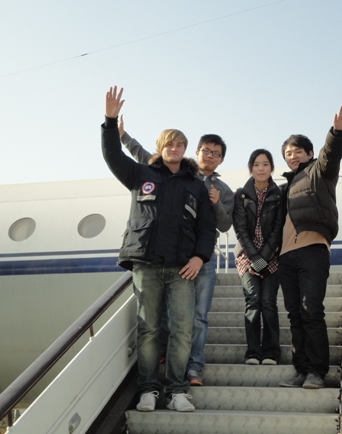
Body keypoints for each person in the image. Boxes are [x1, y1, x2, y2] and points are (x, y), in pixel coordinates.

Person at [101, 86, 216, 412]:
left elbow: (206, 228)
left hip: (182, 269)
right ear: (160, 147)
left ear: (185, 149)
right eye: (169, 144)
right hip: (147, 265)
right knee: (149, 330)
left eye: (179, 144)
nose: (174, 148)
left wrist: (199, 257)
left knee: (182, 330)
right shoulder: (141, 174)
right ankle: (148, 390)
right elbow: (112, 156)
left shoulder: (196, 185)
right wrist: (110, 121)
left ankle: (178, 390)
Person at [117, 113, 234, 387]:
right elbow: (142, 153)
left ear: (221, 160)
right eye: (206, 150)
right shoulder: (172, 171)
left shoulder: (223, 189)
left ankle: (193, 368)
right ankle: (163, 356)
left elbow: (224, 224)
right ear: (197, 151)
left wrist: (216, 203)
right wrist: (122, 135)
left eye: (216, 154)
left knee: (197, 316)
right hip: (173, 256)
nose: (210, 156)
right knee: (164, 315)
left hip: (202, 258)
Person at [278, 103, 342, 389]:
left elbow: (330, 155)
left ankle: (317, 372)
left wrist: (337, 132)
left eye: (298, 151)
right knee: (295, 315)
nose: (293, 156)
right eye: (288, 153)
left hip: (312, 250)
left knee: (311, 310)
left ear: (309, 154)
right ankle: (301, 369)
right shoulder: (285, 187)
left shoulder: (319, 173)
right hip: (285, 256)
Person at [232, 149, 284, 366]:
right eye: (256, 164)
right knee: (253, 301)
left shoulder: (279, 196)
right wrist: (255, 258)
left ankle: (271, 352)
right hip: (247, 255)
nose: (261, 168)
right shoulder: (241, 195)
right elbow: (240, 229)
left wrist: (264, 258)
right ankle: (253, 352)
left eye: (265, 164)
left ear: (272, 167)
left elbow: (278, 230)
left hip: (272, 255)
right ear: (250, 168)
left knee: (268, 302)